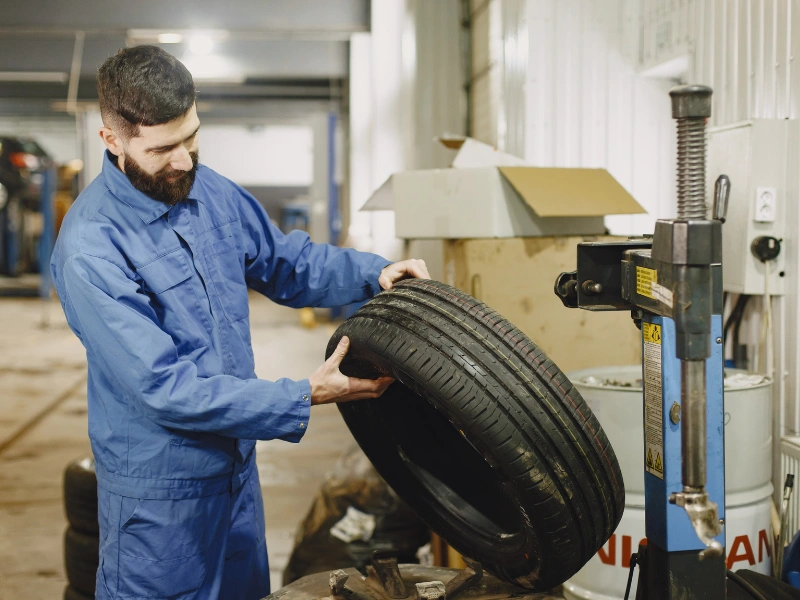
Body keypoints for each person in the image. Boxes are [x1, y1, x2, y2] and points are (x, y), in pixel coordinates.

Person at [50, 45, 429, 600]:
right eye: (162, 149)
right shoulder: (91, 248)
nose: (184, 161)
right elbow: (164, 387)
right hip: (160, 502)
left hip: (236, 476)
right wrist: (303, 394)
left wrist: (374, 273)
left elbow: (285, 262)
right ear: (113, 140)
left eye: (191, 137)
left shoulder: (210, 191)